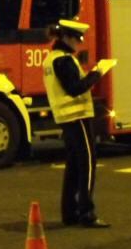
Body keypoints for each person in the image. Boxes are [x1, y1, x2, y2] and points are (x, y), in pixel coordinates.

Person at [42, 19, 116, 228]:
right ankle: (87, 212)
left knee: (74, 166)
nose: (79, 43)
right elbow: (75, 88)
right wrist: (98, 72)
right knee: (88, 164)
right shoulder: (63, 60)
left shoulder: (52, 59)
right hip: (77, 118)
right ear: (65, 37)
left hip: (67, 118)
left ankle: (70, 212)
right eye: (76, 38)